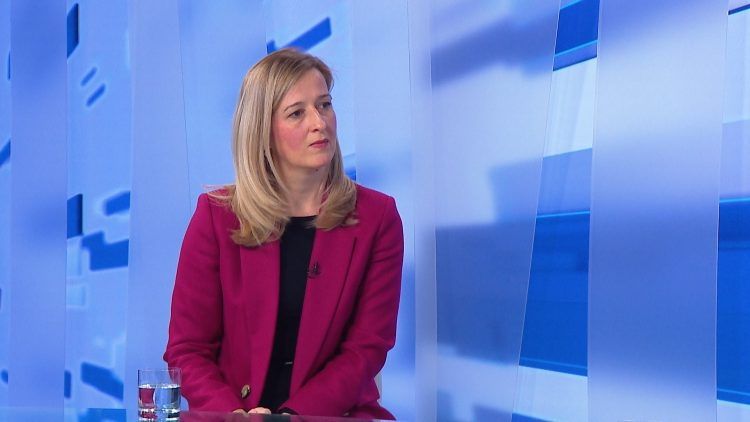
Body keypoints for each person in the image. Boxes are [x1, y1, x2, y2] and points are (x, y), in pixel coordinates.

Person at [163, 48, 404, 419]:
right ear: (263, 131)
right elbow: (188, 350)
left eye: (324, 105)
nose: (319, 122)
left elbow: (366, 349)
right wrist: (235, 415)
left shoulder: (377, 217)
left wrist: (292, 417)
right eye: (297, 113)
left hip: (328, 415)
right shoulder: (216, 216)